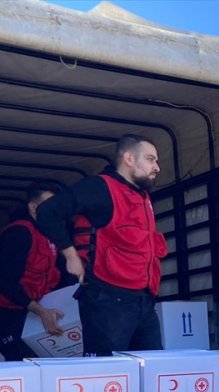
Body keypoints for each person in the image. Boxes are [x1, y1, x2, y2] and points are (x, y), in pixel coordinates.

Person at [36, 134, 168, 356]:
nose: (157, 167)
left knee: (152, 368)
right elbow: (47, 212)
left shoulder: (142, 196)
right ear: (129, 158)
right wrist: (70, 255)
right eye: (150, 159)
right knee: (109, 378)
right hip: (107, 299)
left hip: (144, 300)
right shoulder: (98, 187)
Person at [0, 180, 66, 361]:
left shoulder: (52, 236)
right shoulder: (19, 233)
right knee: (24, 362)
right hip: (1, 313)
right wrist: (42, 312)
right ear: (33, 208)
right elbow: (6, 283)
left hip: (29, 311)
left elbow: (58, 276)